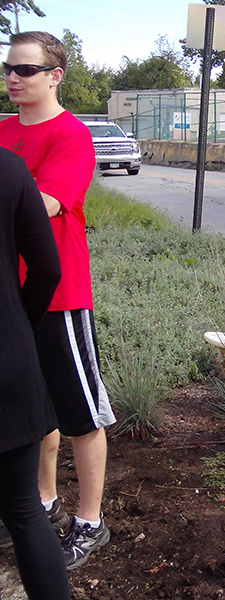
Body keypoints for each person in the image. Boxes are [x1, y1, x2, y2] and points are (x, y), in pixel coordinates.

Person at [0, 31, 116, 569]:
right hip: (10, 296)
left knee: (78, 412)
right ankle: (38, 504)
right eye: (8, 69)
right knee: (30, 411)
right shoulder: (1, 133)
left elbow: (42, 205)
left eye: (26, 69)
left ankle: (90, 523)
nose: (13, 79)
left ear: (55, 75)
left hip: (59, 295)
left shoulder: (71, 135)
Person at [0, 147, 70, 599]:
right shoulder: (7, 167)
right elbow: (47, 267)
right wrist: (18, 327)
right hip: (9, 361)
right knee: (24, 509)